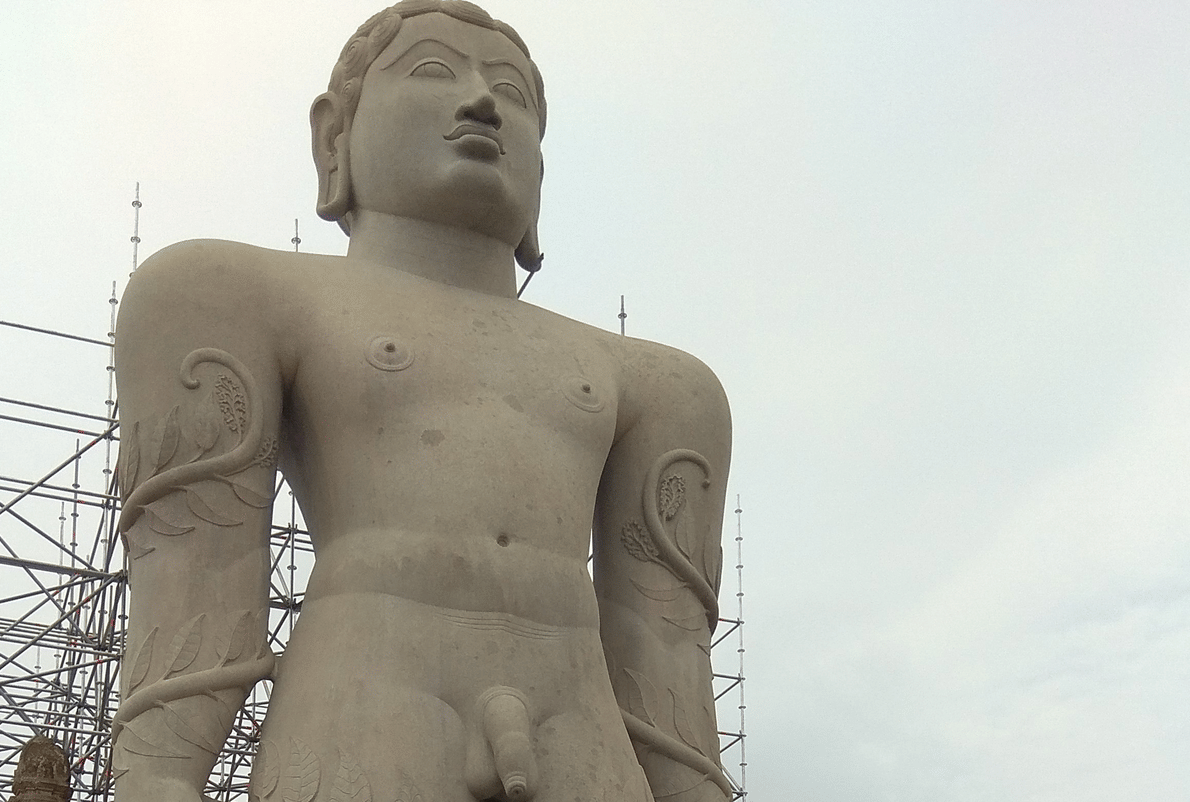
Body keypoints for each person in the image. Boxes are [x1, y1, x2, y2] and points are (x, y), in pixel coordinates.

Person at [111, 2, 734, 800]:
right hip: (367, 704)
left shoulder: (660, 383)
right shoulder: (229, 295)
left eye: (512, 91)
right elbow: (200, 575)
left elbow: (663, 649)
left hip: (582, 732)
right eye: (435, 71)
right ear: (334, 137)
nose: (481, 101)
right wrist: (160, 776)